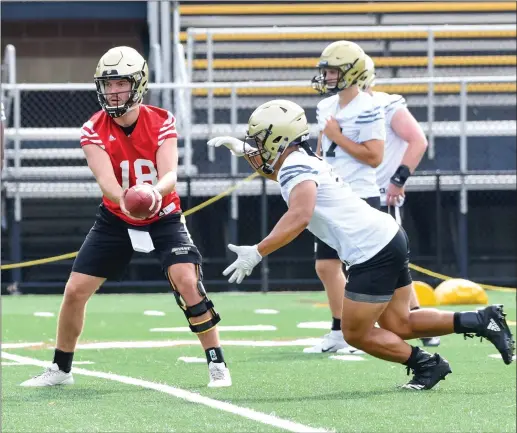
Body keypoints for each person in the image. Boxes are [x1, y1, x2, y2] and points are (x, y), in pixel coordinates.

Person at [207, 99, 514, 390]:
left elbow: (300, 215)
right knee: (400, 322)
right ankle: (482, 320)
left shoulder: (294, 167)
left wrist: (258, 251)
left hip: (372, 250)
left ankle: (426, 365)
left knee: (355, 333)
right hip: (386, 236)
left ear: (278, 139)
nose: (255, 147)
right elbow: (282, 179)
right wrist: (245, 153)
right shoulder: (300, 160)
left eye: (259, 140)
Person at [21, 46, 231, 388]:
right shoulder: (92, 128)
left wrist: (151, 194)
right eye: (108, 84)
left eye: (120, 83)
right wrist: (128, 199)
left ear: (138, 84)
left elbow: (170, 176)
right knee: (75, 290)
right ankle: (61, 369)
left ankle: (216, 363)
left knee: (188, 283)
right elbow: (107, 183)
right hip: (116, 218)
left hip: (163, 214)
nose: (113, 91)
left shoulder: (161, 120)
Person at [306, 40, 385, 354]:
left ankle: (375, 327)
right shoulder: (327, 107)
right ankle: (340, 331)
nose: (326, 77)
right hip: (333, 194)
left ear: (351, 72)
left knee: (365, 267)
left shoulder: (368, 107)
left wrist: (339, 137)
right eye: (326, 71)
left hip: (360, 195)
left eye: (333, 71)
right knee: (326, 266)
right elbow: (323, 151)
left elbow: (375, 156)